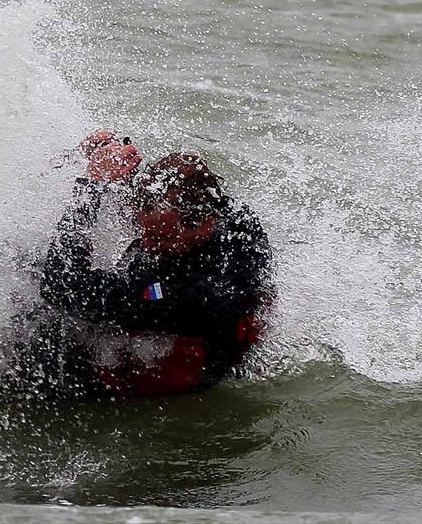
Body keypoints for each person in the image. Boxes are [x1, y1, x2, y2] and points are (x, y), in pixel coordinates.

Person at [15, 129, 272, 398]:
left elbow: (59, 287)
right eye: (143, 231)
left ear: (203, 225)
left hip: (174, 375)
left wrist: (91, 187)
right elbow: (158, 207)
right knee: (22, 258)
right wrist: (116, 172)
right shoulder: (232, 218)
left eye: (160, 236)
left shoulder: (188, 292)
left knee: (37, 318)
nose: (147, 244)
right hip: (169, 325)